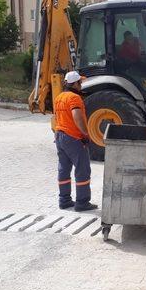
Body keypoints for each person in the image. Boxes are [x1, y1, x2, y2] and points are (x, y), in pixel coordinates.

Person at [53, 71, 98, 212]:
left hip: (60, 136)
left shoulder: (59, 97)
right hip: (73, 137)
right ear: (76, 83)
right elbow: (77, 116)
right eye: (80, 82)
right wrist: (85, 134)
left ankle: (64, 200)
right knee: (82, 169)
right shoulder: (75, 98)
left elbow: (56, 117)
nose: (81, 85)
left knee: (64, 169)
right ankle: (82, 202)